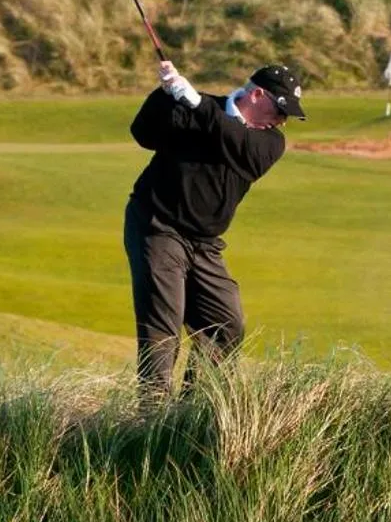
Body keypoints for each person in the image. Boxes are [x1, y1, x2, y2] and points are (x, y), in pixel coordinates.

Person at [124, 58, 303, 407]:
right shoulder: (194, 106)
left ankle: (196, 406)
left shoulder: (269, 144)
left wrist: (196, 103)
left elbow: (233, 140)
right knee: (163, 325)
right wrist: (165, 95)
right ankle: (151, 415)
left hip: (205, 244)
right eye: (280, 110)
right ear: (257, 95)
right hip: (158, 227)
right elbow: (143, 134)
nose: (282, 121)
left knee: (226, 322)